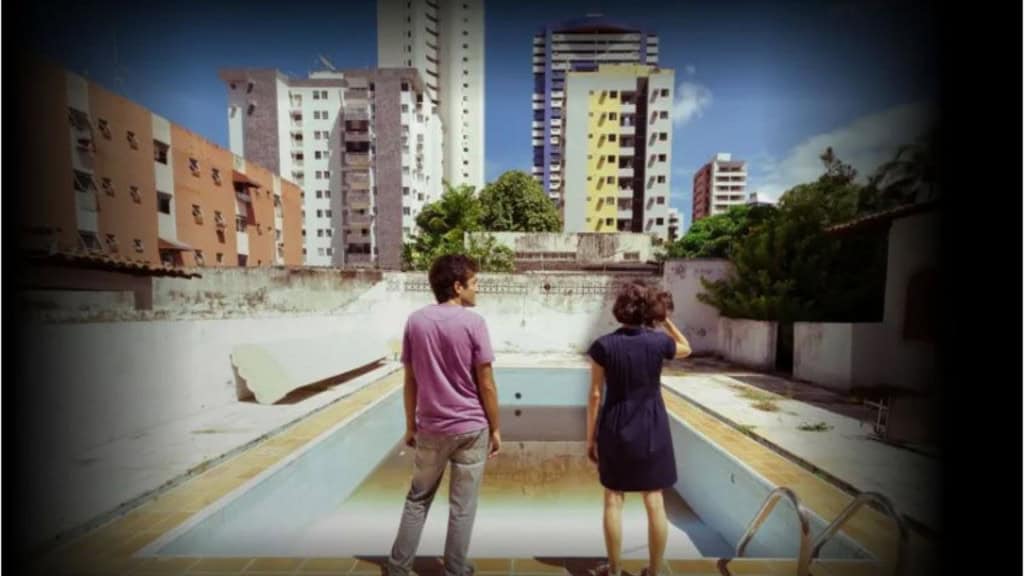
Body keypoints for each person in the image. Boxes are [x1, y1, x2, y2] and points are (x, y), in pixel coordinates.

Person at [387, 254, 502, 576]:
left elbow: (410, 380)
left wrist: (411, 425)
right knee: (462, 506)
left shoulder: (415, 321)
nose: (477, 288)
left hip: (431, 428)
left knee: (417, 498)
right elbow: (487, 384)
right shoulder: (474, 323)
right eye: (474, 282)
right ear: (457, 286)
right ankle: (455, 569)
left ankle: (398, 567)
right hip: (470, 428)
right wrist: (496, 428)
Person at [586, 281, 692, 576]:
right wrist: (665, 320)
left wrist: (590, 439)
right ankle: (655, 570)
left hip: (615, 425)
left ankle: (615, 569)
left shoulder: (603, 346)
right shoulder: (658, 343)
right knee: (654, 500)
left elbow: (595, 395)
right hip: (652, 426)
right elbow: (687, 348)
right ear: (648, 312)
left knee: (613, 499)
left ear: (620, 310)